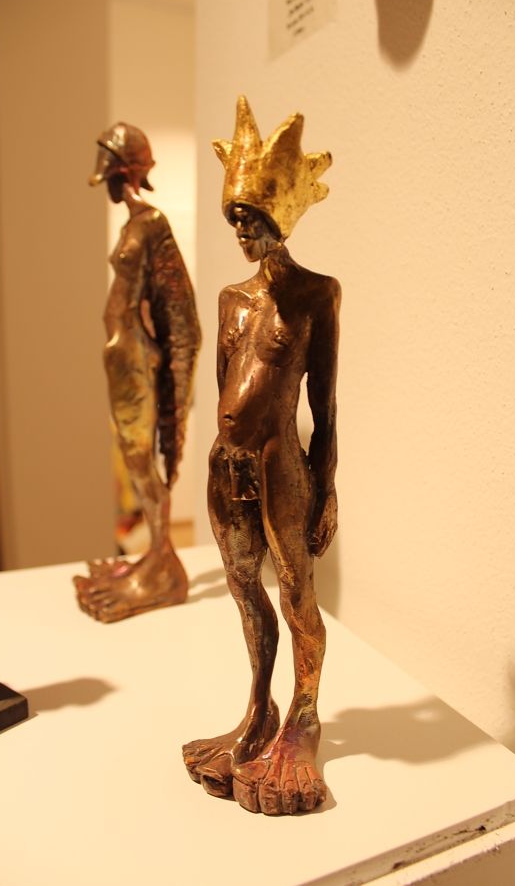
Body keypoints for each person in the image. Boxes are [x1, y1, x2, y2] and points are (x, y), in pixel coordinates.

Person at [183, 97, 339, 815]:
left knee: (296, 591)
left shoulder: (315, 296)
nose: (242, 232)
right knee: (245, 590)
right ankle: (258, 710)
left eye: (251, 218)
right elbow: (225, 390)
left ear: (279, 215)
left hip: (283, 467)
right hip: (228, 467)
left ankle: (303, 720)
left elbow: (323, 408)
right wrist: (225, 457)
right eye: (234, 219)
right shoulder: (230, 300)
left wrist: (326, 488)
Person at [74, 123, 201, 623]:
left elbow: (182, 313)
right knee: (133, 459)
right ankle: (153, 555)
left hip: (135, 357)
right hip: (121, 355)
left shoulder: (152, 224)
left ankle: (163, 564)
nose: (106, 184)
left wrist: (175, 377)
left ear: (124, 172)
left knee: (141, 458)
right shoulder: (134, 224)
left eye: (110, 174)